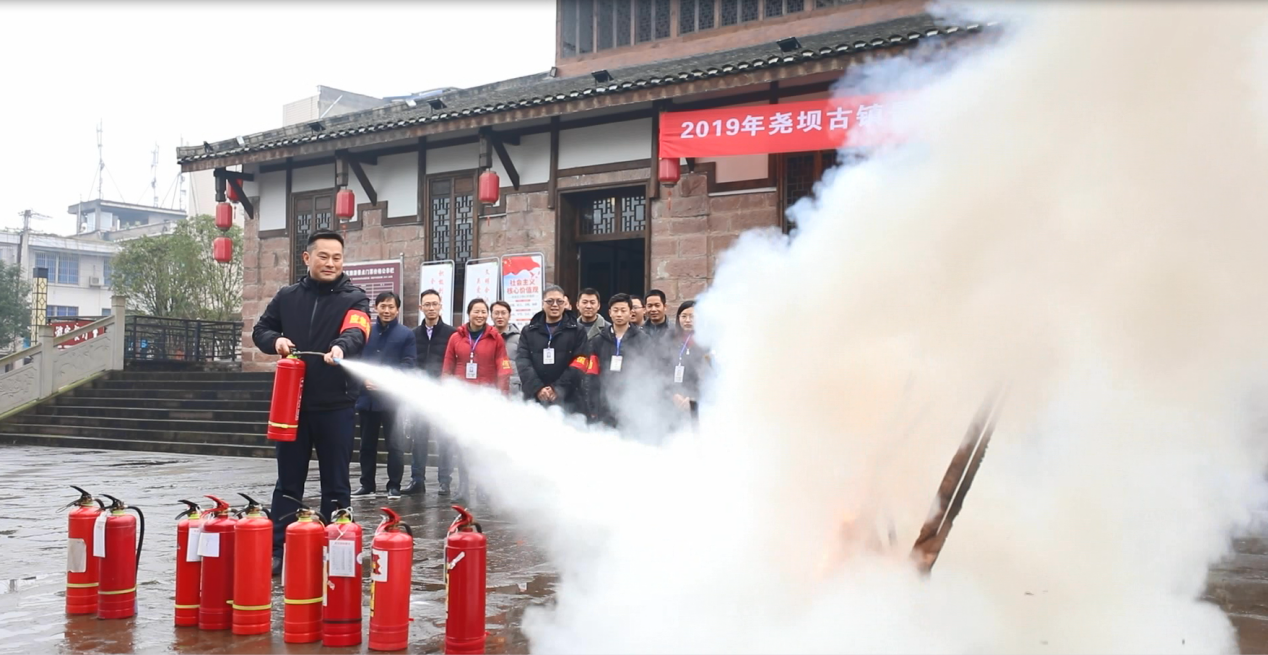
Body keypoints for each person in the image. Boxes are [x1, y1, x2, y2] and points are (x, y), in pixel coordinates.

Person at [252, 231, 370, 575]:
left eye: (337, 257)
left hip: (336, 405)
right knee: (288, 481)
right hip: (293, 406)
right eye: (324, 256)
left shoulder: (355, 298)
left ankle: (337, 546)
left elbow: (357, 331)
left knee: (337, 482)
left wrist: (341, 347)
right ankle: (279, 548)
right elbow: (261, 330)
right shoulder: (287, 297)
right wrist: (276, 341)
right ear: (307, 258)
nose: (331, 263)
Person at [441, 298, 514, 498]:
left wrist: (502, 396)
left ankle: (483, 488)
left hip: (485, 397)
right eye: (476, 311)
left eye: (483, 312)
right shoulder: (456, 337)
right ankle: (463, 486)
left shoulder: (495, 338)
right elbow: (447, 366)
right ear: (469, 313)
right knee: (462, 445)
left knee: (483, 445)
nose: (480, 315)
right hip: (462, 398)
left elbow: (504, 368)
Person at [352, 292, 417, 500]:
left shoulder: (406, 334)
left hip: (392, 401)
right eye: (383, 306)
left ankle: (394, 485)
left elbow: (409, 364)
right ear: (376, 308)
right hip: (368, 400)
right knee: (366, 445)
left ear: (397, 310)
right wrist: (363, 380)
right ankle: (367, 485)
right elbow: (356, 360)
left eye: (391, 307)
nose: (386, 311)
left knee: (395, 446)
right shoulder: (366, 331)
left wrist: (385, 380)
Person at [571, 292, 651, 427]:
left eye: (623, 310)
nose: (619, 314)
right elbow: (592, 375)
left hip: (633, 402)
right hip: (605, 404)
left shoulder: (642, 339)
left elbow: (648, 373)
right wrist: (593, 404)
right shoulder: (598, 340)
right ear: (609, 313)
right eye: (615, 310)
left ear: (630, 312)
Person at [406, 289, 457, 495]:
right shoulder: (413, 334)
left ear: (440, 306)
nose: (431, 308)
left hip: (443, 394)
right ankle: (417, 480)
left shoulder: (452, 334)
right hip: (420, 394)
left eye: (434, 304)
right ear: (421, 307)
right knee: (419, 439)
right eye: (427, 304)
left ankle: (445, 481)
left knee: (444, 439)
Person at [516, 285, 589, 415]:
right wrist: (538, 388)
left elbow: (581, 362)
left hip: (569, 399)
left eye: (559, 301)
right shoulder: (529, 331)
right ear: (542, 303)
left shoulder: (578, 330)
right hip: (535, 399)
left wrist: (558, 389)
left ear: (565, 303)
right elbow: (523, 361)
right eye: (550, 301)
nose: (555, 305)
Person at [668, 300, 709, 425]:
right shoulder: (669, 340)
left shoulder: (706, 343)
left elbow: (710, 376)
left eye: (692, 316)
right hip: (673, 401)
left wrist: (693, 399)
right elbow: (662, 370)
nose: (687, 320)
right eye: (684, 316)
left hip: (700, 403)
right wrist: (673, 394)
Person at [490, 300, 522, 398]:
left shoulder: (520, 338)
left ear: (509, 315)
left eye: (503, 313)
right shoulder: (486, 338)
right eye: (496, 313)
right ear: (491, 316)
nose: (500, 316)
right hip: (490, 389)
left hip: (513, 389)